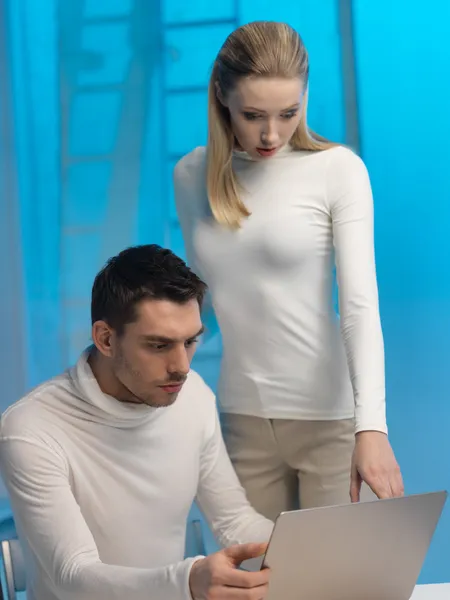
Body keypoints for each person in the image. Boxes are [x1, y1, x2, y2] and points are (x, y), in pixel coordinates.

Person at [174, 20, 404, 522]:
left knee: (338, 587)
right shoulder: (192, 176)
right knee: (257, 586)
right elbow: (203, 307)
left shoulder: (337, 170)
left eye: (288, 113)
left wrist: (373, 427)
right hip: (241, 419)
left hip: (331, 420)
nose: (271, 134)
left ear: (305, 98)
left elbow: (360, 308)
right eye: (253, 115)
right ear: (221, 98)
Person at [0, 244, 273, 600]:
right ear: (106, 339)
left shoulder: (194, 398)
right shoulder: (31, 428)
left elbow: (234, 521)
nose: (182, 366)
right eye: (159, 346)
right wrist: (187, 582)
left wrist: (316, 552)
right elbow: (74, 575)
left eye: (190, 341)